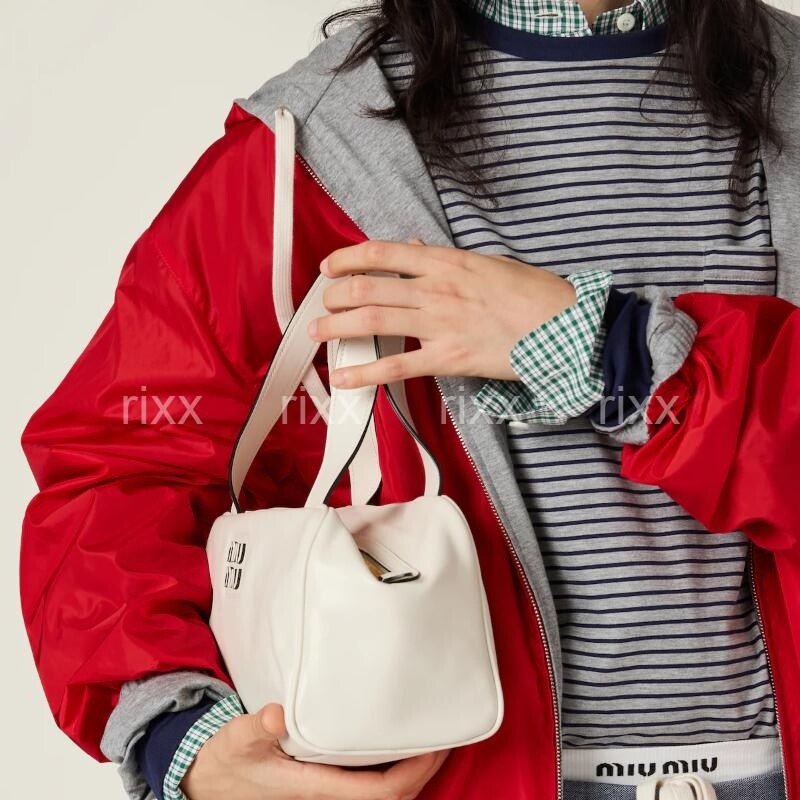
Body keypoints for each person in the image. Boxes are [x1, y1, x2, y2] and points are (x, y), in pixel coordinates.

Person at [20, 1, 800, 799]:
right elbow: (119, 464)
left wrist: (611, 352)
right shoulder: (314, 141)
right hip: (458, 780)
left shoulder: (793, 91)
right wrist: (179, 735)